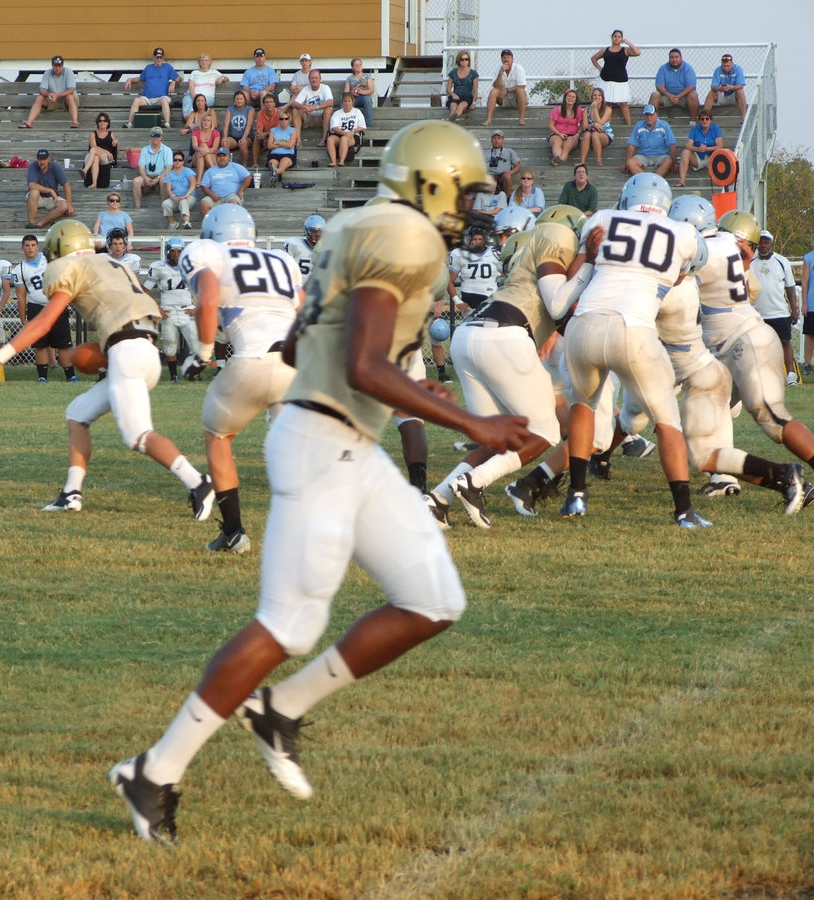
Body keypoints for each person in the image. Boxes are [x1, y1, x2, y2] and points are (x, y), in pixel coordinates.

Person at [108, 121, 532, 844]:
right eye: (463, 193)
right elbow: (363, 365)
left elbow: (301, 341)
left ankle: (282, 709)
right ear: (429, 185)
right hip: (319, 443)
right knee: (288, 624)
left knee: (434, 600)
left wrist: (391, 377)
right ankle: (152, 770)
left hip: (350, 444)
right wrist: (473, 422)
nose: (469, 209)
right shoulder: (403, 238)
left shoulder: (353, 228)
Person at [0, 219, 213, 517]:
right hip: (143, 348)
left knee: (138, 435)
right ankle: (71, 493)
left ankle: (198, 482)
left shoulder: (67, 267)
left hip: (127, 349)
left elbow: (45, 321)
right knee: (77, 414)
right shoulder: (114, 264)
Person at [425, 205, 585, 528]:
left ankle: (437, 500)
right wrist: (589, 259)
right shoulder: (556, 238)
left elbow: (561, 317)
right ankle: (475, 482)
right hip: (505, 333)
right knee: (546, 431)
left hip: (469, 334)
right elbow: (558, 305)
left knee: (495, 438)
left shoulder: (531, 260)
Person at [561, 173, 706, 526]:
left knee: (583, 405)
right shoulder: (685, 233)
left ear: (628, 197)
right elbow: (682, 275)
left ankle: (576, 496)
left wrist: (592, 254)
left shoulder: (601, 218)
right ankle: (684, 511)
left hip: (585, 322)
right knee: (667, 420)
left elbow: (573, 276)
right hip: (633, 328)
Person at [180, 205, 303, 551]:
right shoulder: (281, 258)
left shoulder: (206, 252)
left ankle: (234, 533)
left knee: (217, 434)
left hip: (254, 357)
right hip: (298, 360)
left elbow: (207, 299)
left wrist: (202, 354)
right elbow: (305, 308)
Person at [697, 210, 814, 505]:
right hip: (729, 346)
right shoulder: (736, 260)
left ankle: (788, 477)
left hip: (744, 343)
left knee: (772, 418)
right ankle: (725, 479)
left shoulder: (709, 250)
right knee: (709, 421)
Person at [12, 233, 77, 382]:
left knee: (63, 344)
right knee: (40, 345)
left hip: (56, 304)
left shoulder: (49, 258)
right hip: (36, 307)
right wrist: (22, 316)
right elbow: (21, 295)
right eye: (27, 246)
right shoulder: (20, 269)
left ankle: (71, 376)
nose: (30, 248)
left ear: (38, 246)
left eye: (33, 245)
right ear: (22, 248)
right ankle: (42, 377)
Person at [749, 229, 800, 386]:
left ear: (771, 244)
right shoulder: (750, 262)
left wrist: (794, 309)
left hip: (779, 312)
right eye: (760, 243)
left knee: (785, 342)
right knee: (758, 345)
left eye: (766, 242)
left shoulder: (782, 261)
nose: (763, 245)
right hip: (757, 313)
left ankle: (790, 375)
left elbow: (790, 287)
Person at [143, 237, 195, 381]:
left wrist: (197, 308)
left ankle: (193, 373)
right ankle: (174, 375)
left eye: (179, 251)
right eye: (173, 251)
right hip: (168, 312)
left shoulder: (191, 267)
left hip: (186, 310)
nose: (176, 255)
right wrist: (156, 308)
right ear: (167, 252)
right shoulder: (159, 267)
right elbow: (145, 290)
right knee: (170, 344)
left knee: (196, 344)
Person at [591, 30, 641, 127]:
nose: (617, 38)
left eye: (619, 37)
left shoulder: (625, 50)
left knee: (623, 104)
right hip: (606, 80)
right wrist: (600, 68)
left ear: (621, 38)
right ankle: (606, 127)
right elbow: (594, 58)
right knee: (608, 104)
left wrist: (627, 42)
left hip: (621, 81)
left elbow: (637, 52)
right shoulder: (605, 50)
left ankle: (629, 126)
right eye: (615, 36)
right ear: (612, 37)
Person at [123, 48, 179, 129]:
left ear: (163, 58)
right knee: (136, 100)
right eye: (157, 57)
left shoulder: (167, 67)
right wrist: (130, 79)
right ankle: (130, 124)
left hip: (161, 98)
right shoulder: (148, 67)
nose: (159, 59)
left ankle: (167, 124)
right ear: (153, 58)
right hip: (147, 98)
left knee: (164, 100)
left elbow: (179, 78)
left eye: (161, 57)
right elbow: (140, 78)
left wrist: (174, 82)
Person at [21, 56, 79, 129]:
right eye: (55, 66)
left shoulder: (69, 72)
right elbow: (42, 90)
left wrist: (57, 95)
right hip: (53, 100)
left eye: (59, 66)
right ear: (52, 65)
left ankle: (75, 122)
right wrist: (49, 95)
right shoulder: (47, 73)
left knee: (69, 96)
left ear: (63, 65)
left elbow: (71, 90)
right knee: (39, 98)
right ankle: (29, 123)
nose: (57, 68)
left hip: (67, 101)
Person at [649, 48, 700, 124]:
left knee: (693, 95)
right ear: (669, 58)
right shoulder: (663, 68)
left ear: (681, 58)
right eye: (672, 57)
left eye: (676, 57)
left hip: (683, 98)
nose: (674, 60)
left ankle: (692, 123)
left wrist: (678, 96)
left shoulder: (688, 68)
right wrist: (669, 95)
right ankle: (652, 123)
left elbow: (691, 86)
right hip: (667, 97)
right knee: (654, 96)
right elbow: (659, 86)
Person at [624, 105, 676, 177]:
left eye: (651, 115)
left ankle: (654, 179)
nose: (649, 117)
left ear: (656, 115)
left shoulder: (664, 125)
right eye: (647, 115)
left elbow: (672, 144)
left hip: (661, 156)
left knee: (668, 161)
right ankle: (647, 179)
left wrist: (674, 163)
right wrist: (626, 163)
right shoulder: (639, 125)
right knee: (630, 163)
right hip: (643, 156)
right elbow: (631, 145)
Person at [26, 148, 73, 228]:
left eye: (44, 159)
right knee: (34, 192)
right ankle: (31, 222)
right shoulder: (33, 166)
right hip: (37, 197)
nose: (42, 162)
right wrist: (50, 190)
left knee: (64, 206)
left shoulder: (55, 167)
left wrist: (69, 204)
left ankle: (40, 224)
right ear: (37, 160)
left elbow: (66, 184)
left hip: (51, 198)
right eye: (40, 159)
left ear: (48, 159)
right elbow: (32, 185)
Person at [677, 110, 723, 187]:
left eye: (707, 119)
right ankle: (682, 181)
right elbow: (688, 145)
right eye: (702, 119)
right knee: (685, 152)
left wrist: (707, 148)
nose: (705, 121)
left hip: (711, 158)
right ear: (699, 120)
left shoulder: (716, 128)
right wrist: (698, 149)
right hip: (698, 157)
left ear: (710, 120)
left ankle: (721, 181)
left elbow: (720, 145)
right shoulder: (695, 129)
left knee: (720, 152)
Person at [199, 148, 250, 216]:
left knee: (233, 203)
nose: (222, 158)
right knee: (204, 203)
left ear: (229, 157)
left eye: (224, 155)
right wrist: (211, 195)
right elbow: (204, 186)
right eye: (219, 156)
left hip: (232, 195)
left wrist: (240, 191)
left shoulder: (236, 167)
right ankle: (210, 222)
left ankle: (231, 222)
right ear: (216, 158)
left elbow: (248, 177)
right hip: (215, 198)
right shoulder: (210, 171)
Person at [287, 69, 333, 144]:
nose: (314, 80)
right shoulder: (306, 89)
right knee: (296, 110)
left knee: (328, 110)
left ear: (320, 79)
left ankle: (324, 139)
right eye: (312, 78)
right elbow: (295, 103)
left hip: (322, 117)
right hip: (309, 117)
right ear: (309, 80)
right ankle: (298, 140)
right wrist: (303, 107)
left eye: (316, 78)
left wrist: (315, 107)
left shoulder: (325, 88)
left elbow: (330, 102)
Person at [482, 50, 527, 127]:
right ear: (501, 59)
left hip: (516, 98)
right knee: (493, 91)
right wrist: (501, 73)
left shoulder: (518, 68)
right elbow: (496, 86)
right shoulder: (498, 69)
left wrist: (507, 90)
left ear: (512, 59)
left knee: (521, 91)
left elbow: (522, 86)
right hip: (502, 98)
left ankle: (521, 119)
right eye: (504, 57)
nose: (506, 59)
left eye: (508, 57)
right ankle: (488, 119)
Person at [131, 127, 171, 209]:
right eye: (153, 135)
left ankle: (164, 205)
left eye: (158, 135)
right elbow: (141, 167)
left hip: (161, 176)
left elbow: (169, 167)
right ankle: (137, 206)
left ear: (161, 137)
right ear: (150, 136)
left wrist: (158, 178)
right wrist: (145, 177)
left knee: (164, 180)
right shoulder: (144, 150)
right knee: (136, 181)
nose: (155, 137)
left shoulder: (167, 150)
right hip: (147, 176)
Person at [325, 93, 365, 168]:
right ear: (342, 102)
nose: (347, 103)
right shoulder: (337, 113)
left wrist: (353, 131)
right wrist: (344, 133)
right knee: (330, 139)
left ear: (352, 102)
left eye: (349, 101)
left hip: (352, 135)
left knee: (344, 139)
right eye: (345, 101)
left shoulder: (357, 112)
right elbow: (334, 127)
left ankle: (341, 161)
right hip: (339, 133)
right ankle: (333, 162)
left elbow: (362, 127)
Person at [704, 53, 747, 121]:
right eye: (724, 66)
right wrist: (719, 88)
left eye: (728, 66)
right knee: (711, 93)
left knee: (740, 91)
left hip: (733, 96)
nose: (726, 68)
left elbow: (741, 85)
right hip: (722, 95)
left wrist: (731, 87)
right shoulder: (718, 70)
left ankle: (744, 118)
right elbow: (713, 86)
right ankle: (705, 117)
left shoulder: (738, 69)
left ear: (732, 64)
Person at [283, 214, 324, 284]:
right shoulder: (294, 245)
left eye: (320, 231)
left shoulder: (328, 249)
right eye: (314, 231)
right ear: (307, 231)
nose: (317, 234)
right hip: (298, 287)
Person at [81, 113, 118, 189]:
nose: (102, 122)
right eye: (100, 121)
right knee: (95, 156)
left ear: (108, 123)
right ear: (97, 123)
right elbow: (93, 146)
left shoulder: (111, 134)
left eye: (104, 121)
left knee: (93, 151)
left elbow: (117, 151)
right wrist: (107, 151)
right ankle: (94, 183)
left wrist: (117, 141)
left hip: (104, 157)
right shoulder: (93, 133)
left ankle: (85, 170)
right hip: (92, 155)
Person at [161, 151, 197, 230]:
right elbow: (168, 189)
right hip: (175, 198)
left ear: (183, 162)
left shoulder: (188, 171)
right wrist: (174, 197)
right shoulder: (169, 174)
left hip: (189, 197)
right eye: (175, 160)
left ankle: (187, 223)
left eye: (180, 160)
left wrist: (186, 195)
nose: (177, 162)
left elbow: (193, 184)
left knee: (183, 201)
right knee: (165, 203)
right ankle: (172, 223)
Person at [548, 89, 584, 167]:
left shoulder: (578, 110)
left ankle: (557, 162)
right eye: (569, 96)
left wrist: (577, 135)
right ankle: (557, 158)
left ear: (576, 100)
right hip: (557, 133)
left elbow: (582, 126)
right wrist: (559, 134)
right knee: (556, 142)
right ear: (565, 98)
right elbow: (550, 125)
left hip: (572, 135)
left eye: (573, 97)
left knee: (567, 146)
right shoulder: (557, 110)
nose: (570, 98)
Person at [580, 87, 614, 167]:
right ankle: (582, 162)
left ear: (602, 98)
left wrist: (595, 109)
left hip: (604, 134)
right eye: (595, 95)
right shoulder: (587, 110)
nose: (597, 97)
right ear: (592, 97)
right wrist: (593, 124)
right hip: (590, 134)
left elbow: (600, 125)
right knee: (587, 134)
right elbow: (584, 127)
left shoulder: (608, 109)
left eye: (599, 95)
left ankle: (599, 161)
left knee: (595, 134)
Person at [221, 90, 254, 163]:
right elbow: (226, 125)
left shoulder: (250, 109)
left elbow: (249, 125)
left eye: (241, 99)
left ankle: (244, 164)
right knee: (225, 143)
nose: (239, 101)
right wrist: (225, 137)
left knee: (242, 143)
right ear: (234, 101)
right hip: (233, 137)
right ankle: (227, 163)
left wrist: (244, 138)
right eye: (237, 99)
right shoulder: (230, 109)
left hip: (246, 136)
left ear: (245, 100)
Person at [485, 129, 520, 198]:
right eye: (494, 138)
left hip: (502, 175)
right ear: (491, 140)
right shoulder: (485, 152)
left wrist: (510, 172)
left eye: (499, 138)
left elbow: (518, 166)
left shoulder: (509, 152)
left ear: (503, 140)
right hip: (490, 175)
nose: (496, 140)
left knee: (507, 175)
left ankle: (506, 198)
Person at [445, 50, 479, 120]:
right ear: (458, 60)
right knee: (453, 106)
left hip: (467, 97)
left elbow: (475, 90)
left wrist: (474, 103)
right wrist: (453, 94)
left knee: (461, 106)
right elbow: (448, 88)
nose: (464, 61)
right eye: (462, 59)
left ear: (468, 61)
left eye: (466, 59)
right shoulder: (453, 72)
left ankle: (453, 118)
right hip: (456, 95)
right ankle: (452, 120)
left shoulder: (473, 73)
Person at [250, 93, 281, 167]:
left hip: (277, 135)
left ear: (274, 104)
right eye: (267, 102)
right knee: (257, 138)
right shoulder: (260, 113)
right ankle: (255, 163)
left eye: (271, 102)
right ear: (263, 104)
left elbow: (278, 129)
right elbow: (259, 128)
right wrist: (260, 133)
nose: (269, 104)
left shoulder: (279, 113)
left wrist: (265, 134)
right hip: (266, 134)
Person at [343, 58, 376, 127]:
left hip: (364, 97)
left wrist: (362, 92)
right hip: (353, 98)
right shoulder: (349, 78)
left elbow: (371, 90)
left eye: (360, 65)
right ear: (353, 68)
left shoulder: (367, 76)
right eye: (356, 65)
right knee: (344, 99)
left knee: (367, 99)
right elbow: (346, 92)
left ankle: (368, 123)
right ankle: (344, 121)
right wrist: (352, 93)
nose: (359, 66)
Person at [266, 111, 297, 182]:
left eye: (286, 119)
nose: (284, 121)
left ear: (289, 119)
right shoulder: (273, 130)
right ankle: (276, 173)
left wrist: (277, 142)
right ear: (279, 120)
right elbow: (269, 146)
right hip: (274, 154)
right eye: (281, 119)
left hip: (288, 154)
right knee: (272, 164)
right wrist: (284, 144)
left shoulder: (293, 130)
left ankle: (275, 173)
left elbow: (290, 145)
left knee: (283, 164)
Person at [190, 112, 222, 181]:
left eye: (208, 121)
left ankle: (199, 180)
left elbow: (214, 148)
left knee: (202, 151)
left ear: (211, 123)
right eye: (204, 120)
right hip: (197, 158)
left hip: (212, 157)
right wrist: (202, 150)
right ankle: (215, 171)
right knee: (202, 147)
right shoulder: (195, 133)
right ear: (201, 122)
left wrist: (205, 151)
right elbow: (195, 146)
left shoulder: (216, 133)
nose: (206, 122)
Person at [804, 245, 814, 379]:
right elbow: (805, 282)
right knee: (810, 334)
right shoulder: (808, 257)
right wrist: (805, 303)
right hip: (812, 303)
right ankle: (807, 364)